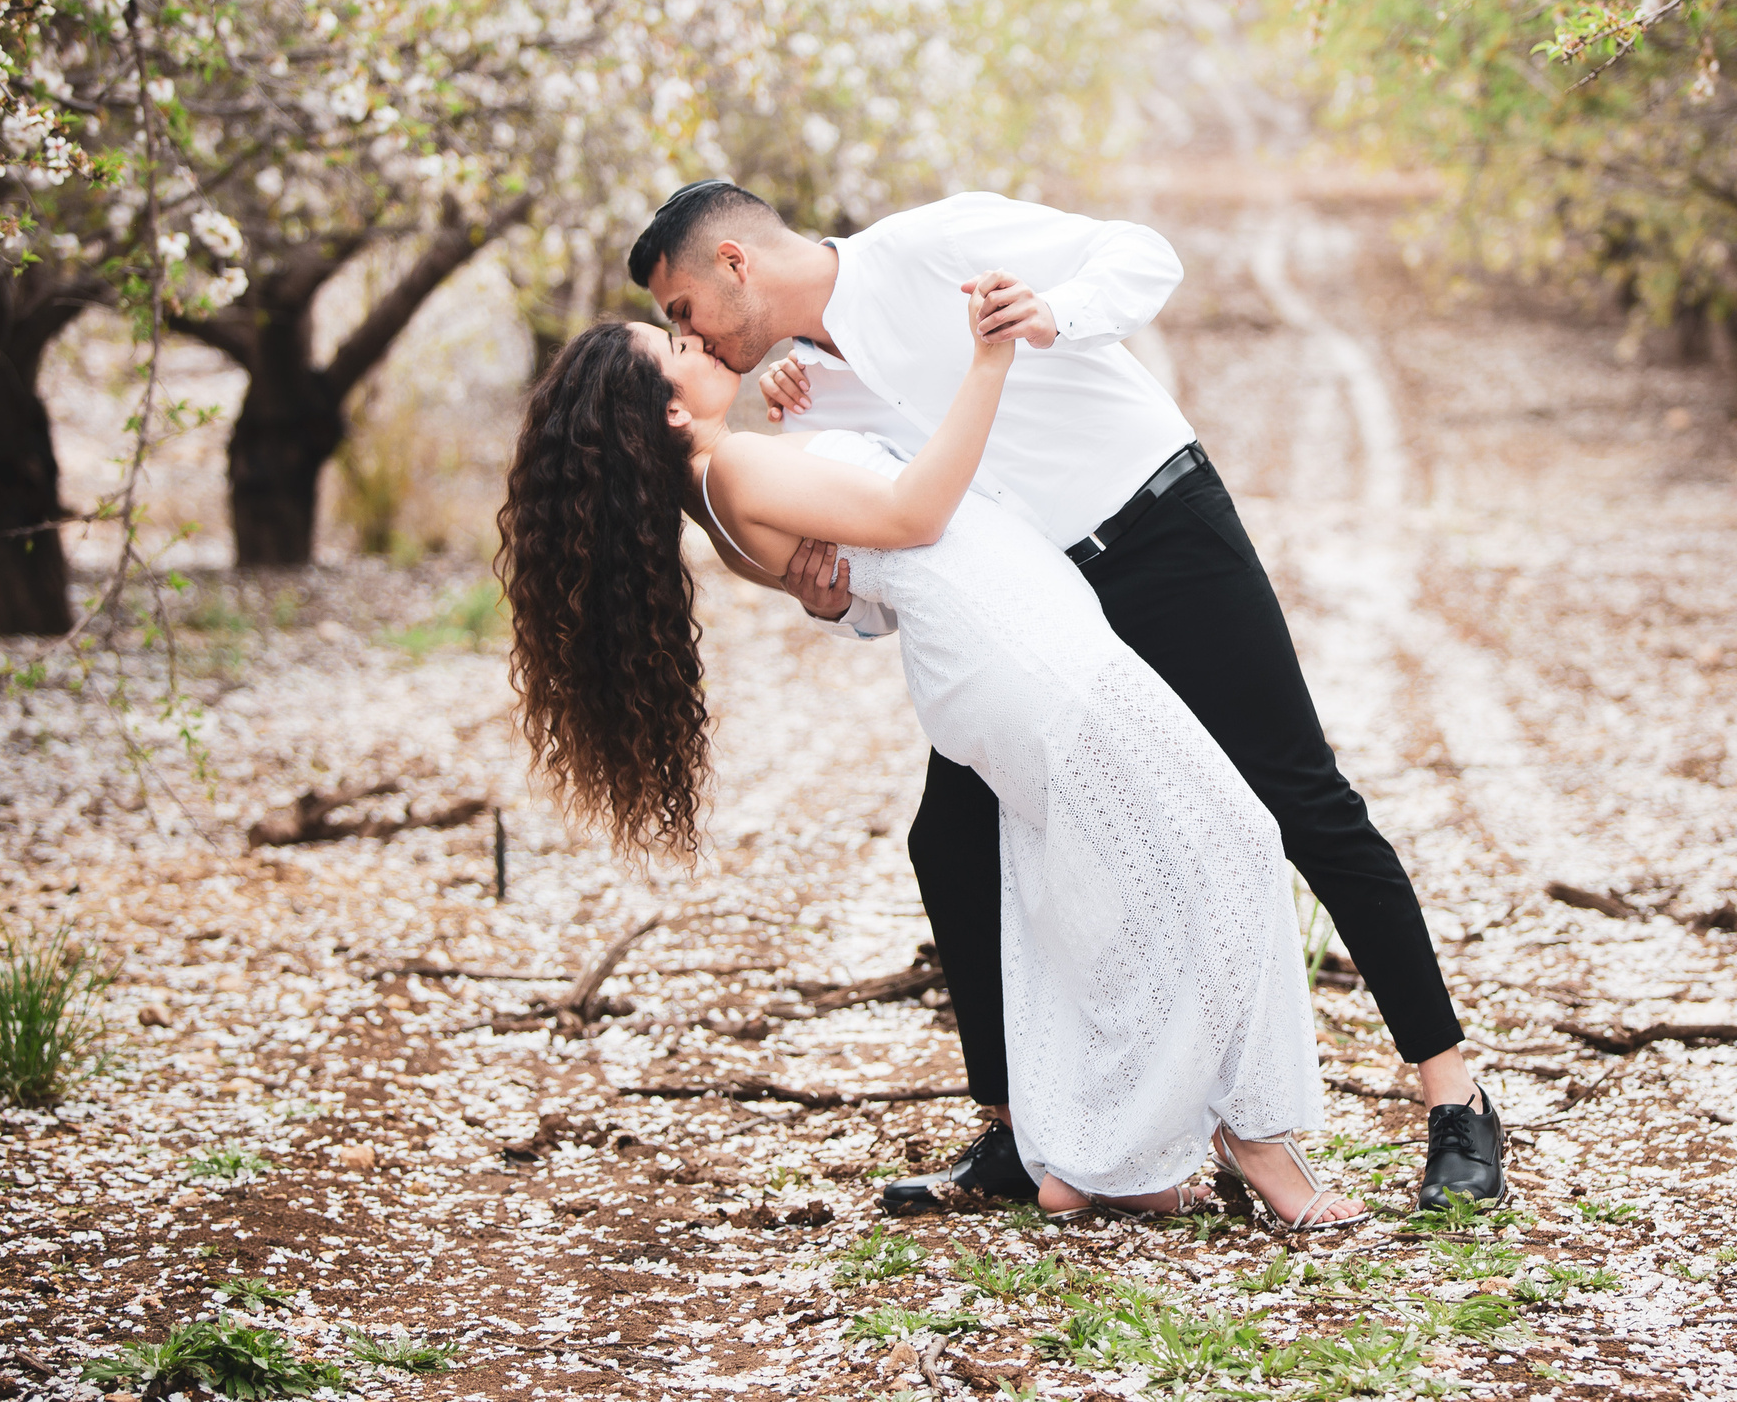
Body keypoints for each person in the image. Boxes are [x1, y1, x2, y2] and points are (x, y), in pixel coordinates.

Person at [628, 180, 1505, 1214]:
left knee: (1295, 794)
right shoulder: (804, 393)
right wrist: (832, 605)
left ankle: (1453, 1096)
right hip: (1037, 619)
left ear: (734, 264)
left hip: (1156, 529)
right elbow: (911, 544)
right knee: (947, 843)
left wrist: (1054, 316)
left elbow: (1141, 253)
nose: (679, 332)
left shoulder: (930, 245)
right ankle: (1013, 1134)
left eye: (679, 310)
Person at [497, 303, 1364, 1226]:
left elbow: (861, 541)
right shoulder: (738, 470)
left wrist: (815, 414)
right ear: (670, 412)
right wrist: (988, 362)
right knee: (1234, 842)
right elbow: (913, 512)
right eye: (678, 347)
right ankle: (1257, 1144)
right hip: (1025, 656)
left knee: (1099, 903)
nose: (702, 342)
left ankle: (1095, 1160)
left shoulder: (729, 487)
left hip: (1006, 657)